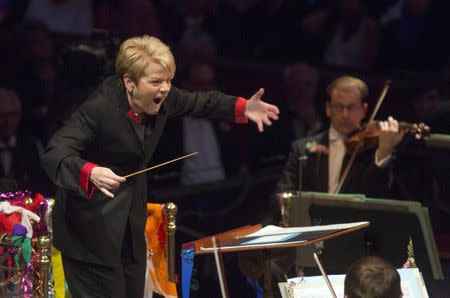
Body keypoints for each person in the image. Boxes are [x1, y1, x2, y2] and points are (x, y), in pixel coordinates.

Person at [41, 35, 279, 297]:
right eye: (156, 82)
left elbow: (200, 102)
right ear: (129, 82)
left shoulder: (163, 98)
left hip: (129, 226)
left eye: (168, 80)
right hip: (89, 231)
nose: (165, 88)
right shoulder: (99, 109)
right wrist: (90, 171)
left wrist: (243, 108)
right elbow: (56, 152)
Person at [276, 75, 405, 197]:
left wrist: (384, 151)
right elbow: (283, 193)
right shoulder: (301, 148)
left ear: (364, 110)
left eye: (352, 107)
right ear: (328, 108)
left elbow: (378, 194)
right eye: (338, 107)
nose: (345, 115)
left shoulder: (373, 151)